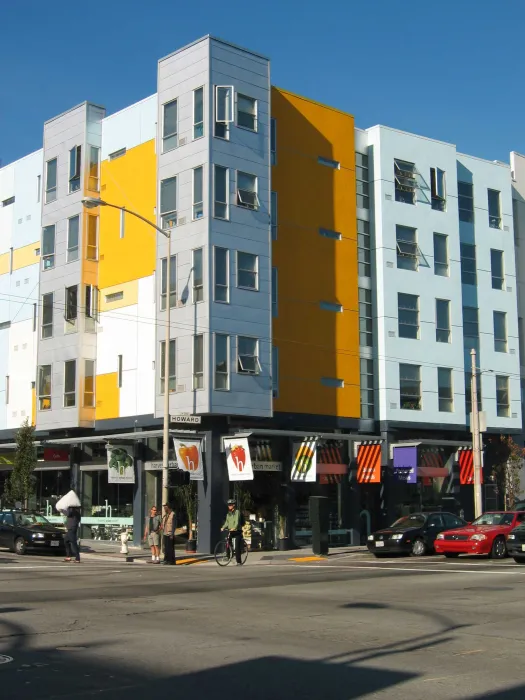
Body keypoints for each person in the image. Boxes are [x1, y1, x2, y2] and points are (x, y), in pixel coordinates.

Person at [222, 499, 244, 565]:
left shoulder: (237, 512)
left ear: (234, 505)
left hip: (237, 531)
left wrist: (234, 528)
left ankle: (239, 561)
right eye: (228, 505)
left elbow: (237, 521)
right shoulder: (228, 514)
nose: (229, 506)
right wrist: (223, 527)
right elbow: (227, 522)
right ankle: (228, 556)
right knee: (227, 541)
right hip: (231, 531)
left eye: (230, 505)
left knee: (237, 546)